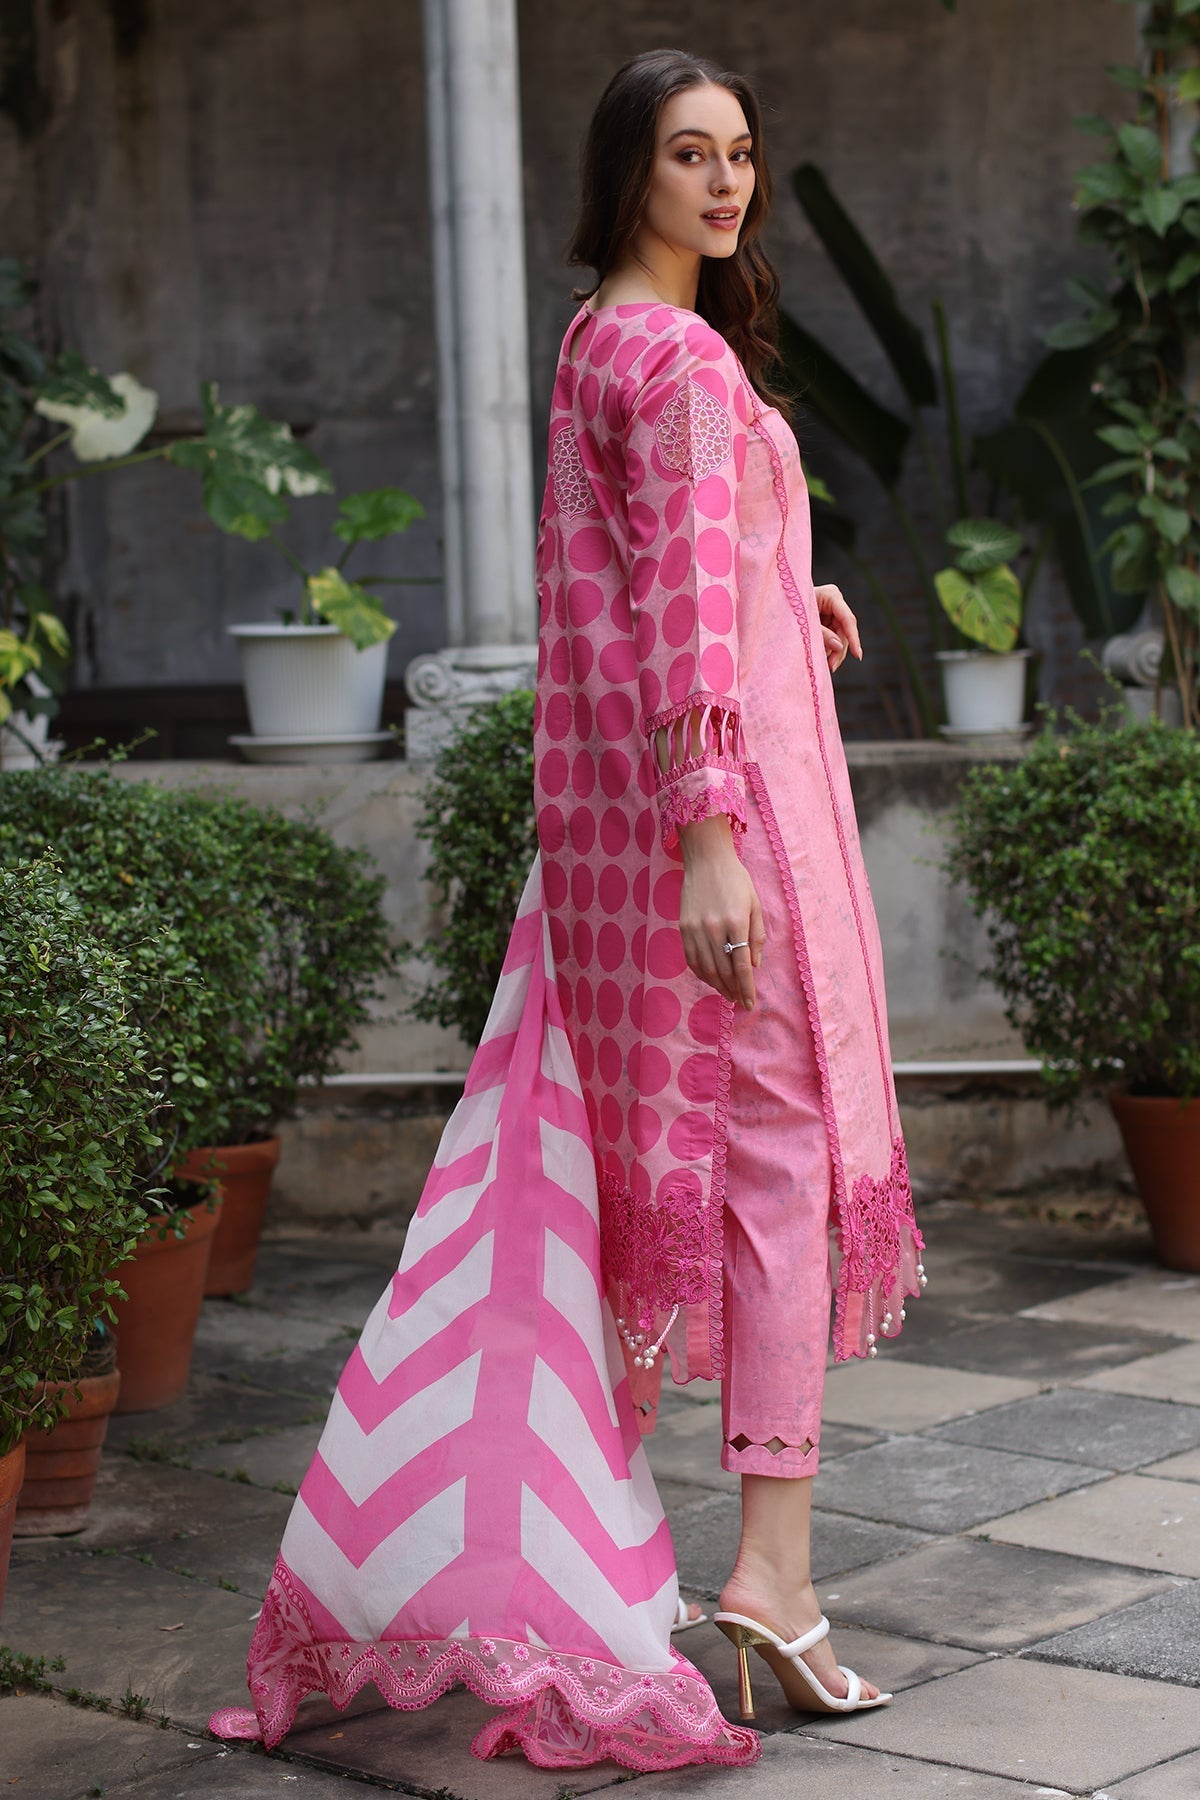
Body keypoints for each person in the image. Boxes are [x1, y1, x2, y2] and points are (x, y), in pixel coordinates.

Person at [209, 47, 923, 1776]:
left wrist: (791, 585)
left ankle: (593, 1558)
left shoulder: (600, 339)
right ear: (628, 172)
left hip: (635, 826)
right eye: (690, 154)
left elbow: (664, 576)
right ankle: (773, 1580)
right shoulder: (678, 360)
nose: (727, 183)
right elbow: (672, 611)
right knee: (780, 1168)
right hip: (731, 823)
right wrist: (712, 833)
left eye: (741, 153)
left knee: (639, 1177)